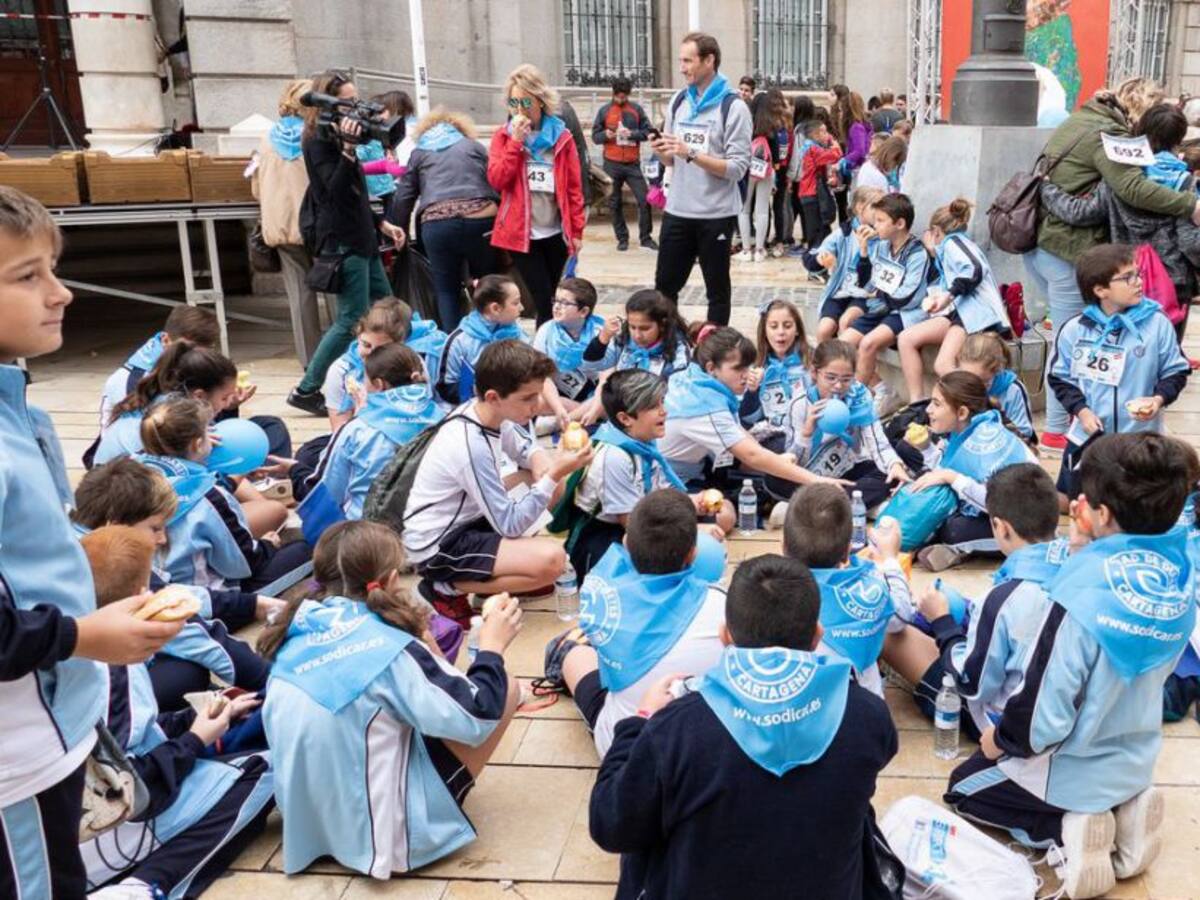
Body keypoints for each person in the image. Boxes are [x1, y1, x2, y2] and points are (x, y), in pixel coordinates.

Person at [0, 185, 183, 897]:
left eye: (54, 268)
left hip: (50, 734)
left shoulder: (18, 405)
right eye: (27, 276)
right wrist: (81, 635)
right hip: (17, 755)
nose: (62, 293)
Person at [945, 434, 1198, 900]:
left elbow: (1045, 713)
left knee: (963, 788)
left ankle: (1069, 830)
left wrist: (1000, 741)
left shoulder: (1077, 595)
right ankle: (1127, 808)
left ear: (1101, 514)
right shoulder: (1178, 577)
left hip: (1068, 772)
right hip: (1136, 758)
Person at [589, 554, 898, 899]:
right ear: (817, 635)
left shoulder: (675, 729)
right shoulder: (868, 717)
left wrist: (639, 722)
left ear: (725, 636)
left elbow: (610, 825)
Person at [261, 521, 523, 879]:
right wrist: (493, 646)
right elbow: (475, 716)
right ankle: (426, 819)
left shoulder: (292, 631)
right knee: (504, 688)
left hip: (309, 827)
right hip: (384, 839)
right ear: (389, 580)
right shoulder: (389, 644)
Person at [79, 526, 273, 900]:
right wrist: (196, 738)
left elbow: (132, 737)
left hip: (54, 819)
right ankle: (147, 884)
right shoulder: (114, 668)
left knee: (233, 728)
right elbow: (131, 788)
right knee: (266, 771)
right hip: (94, 831)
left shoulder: (65, 640)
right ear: (141, 595)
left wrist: (195, 719)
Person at [1025, 76, 1200, 450]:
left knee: (1083, 338)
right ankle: (1113, 420)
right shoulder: (1172, 176)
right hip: (1167, 275)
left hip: (1119, 263)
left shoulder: (1097, 139)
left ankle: (1086, 421)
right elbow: (1185, 235)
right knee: (1157, 346)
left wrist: (1048, 190)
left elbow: (1085, 210)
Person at [401, 341, 592, 623]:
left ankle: (502, 575)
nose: (537, 406)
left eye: (538, 395)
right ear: (493, 396)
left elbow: (525, 448)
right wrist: (554, 473)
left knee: (541, 480)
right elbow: (510, 524)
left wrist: (541, 459)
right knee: (553, 561)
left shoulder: (489, 413)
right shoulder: (470, 444)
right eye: (528, 398)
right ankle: (444, 587)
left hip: (469, 517)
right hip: (438, 545)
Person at [546, 489, 727, 757]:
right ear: (693, 554)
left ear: (627, 543)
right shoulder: (721, 603)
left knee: (571, 652)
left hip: (625, 744)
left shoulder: (602, 592)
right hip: (703, 747)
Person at [916, 463, 1064, 741]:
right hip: (1064, 712)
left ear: (1000, 527)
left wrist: (944, 624)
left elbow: (973, 684)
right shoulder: (1079, 566)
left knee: (900, 638)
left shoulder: (999, 602)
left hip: (1007, 722)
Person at [1040, 102, 1200, 346]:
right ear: (1179, 137)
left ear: (1141, 129)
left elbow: (1082, 213)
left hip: (1124, 276)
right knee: (1165, 352)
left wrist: (1047, 189)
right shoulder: (1183, 181)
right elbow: (1189, 242)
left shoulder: (1121, 174)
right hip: (1172, 283)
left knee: (1123, 347)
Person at [71, 457, 286, 631]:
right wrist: (253, 603)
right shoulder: (115, 561)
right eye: (155, 528)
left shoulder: (72, 533)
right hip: (202, 604)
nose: (163, 538)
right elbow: (239, 565)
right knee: (299, 550)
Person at [1048, 243, 1190, 505]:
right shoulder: (1075, 330)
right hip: (1089, 436)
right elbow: (1060, 378)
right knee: (1073, 502)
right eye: (1127, 278)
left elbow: (1176, 370)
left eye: (1138, 274)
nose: (1138, 282)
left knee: (1131, 507)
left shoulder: (1157, 323)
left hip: (1139, 439)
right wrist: (1082, 411)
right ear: (1100, 290)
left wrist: (1157, 400)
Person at [288, 70, 394, 418]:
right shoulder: (318, 140)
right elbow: (332, 191)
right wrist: (348, 150)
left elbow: (354, 193)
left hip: (362, 237)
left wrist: (382, 223)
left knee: (388, 307)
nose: (353, 107)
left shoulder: (338, 134)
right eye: (348, 101)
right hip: (343, 243)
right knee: (350, 317)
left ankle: (392, 369)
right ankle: (306, 389)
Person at [563, 371, 732, 578]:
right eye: (653, 407)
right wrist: (691, 532)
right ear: (625, 418)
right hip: (603, 541)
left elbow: (657, 498)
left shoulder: (643, 443)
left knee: (719, 521)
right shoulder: (614, 457)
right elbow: (635, 526)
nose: (664, 412)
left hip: (639, 523)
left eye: (662, 402)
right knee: (693, 550)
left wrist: (694, 503)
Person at [136, 396, 312, 592]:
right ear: (197, 444)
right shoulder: (210, 496)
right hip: (201, 597)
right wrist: (267, 545)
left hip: (143, 585)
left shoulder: (127, 474)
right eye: (208, 431)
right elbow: (242, 563)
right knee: (307, 550)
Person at [661, 326, 848, 493]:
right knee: (726, 515)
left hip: (696, 468)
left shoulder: (694, 379)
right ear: (711, 368)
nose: (746, 375)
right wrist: (816, 480)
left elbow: (739, 433)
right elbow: (752, 455)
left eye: (748, 367)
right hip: (670, 481)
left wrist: (781, 461)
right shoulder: (704, 407)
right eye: (738, 369)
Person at [784, 483, 924, 697]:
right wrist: (889, 560)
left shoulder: (768, 592)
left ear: (783, 546)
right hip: (865, 708)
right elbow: (902, 616)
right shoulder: (868, 586)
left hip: (795, 709)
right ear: (847, 551)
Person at [652, 32, 752, 326]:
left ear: (709, 60)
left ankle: (717, 351)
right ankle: (668, 346)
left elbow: (737, 168)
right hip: (678, 211)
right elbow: (672, 159)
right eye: (680, 60)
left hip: (716, 214)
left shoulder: (733, 107)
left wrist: (690, 153)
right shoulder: (678, 101)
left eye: (688, 60)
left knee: (717, 291)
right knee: (664, 289)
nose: (682, 67)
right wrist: (661, 151)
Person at [907, 372, 1038, 571]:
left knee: (953, 530)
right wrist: (925, 448)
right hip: (995, 509)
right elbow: (945, 470)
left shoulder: (986, 439)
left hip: (1026, 521)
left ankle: (958, 549)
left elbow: (995, 504)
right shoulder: (963, 432)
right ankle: (956, 549)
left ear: (961, 413)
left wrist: (951, 478)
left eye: (936, 404)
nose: (928, 410)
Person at [488, 64, 585, 327]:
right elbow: (497, 179)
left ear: (540, 100)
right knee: (543, 301)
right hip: (522, 234)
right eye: (514, 101)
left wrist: (576, 231)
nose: (520, 108)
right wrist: (515, 143)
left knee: (557, 297)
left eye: (525, 101)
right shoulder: (503, 136)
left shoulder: (561, 137)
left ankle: (551, 349)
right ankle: (543, 355)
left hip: (555, 230)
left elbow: (574, 188)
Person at [385, 107, 499, 331]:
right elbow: (496, 181)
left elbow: (404, 197)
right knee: (487, 283)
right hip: (481, 219)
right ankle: (492, 338)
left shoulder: (420, 153)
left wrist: (399, 232)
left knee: (445, 289)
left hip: (438, 225)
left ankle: (452, 343)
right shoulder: (474, 146)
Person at [307, 343, 443, 524]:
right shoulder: (444, 420)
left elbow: (330, 492)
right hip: (429, 527)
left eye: (365, 378)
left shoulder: (358, 429)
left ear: (379, 384)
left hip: (368, 533)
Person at [897, 198, 1010, 403]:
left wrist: (948, 295)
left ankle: (977, 403)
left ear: (936, 232)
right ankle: (917, 401)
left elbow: (974, 269)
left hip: (977, 314)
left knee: (943, 365)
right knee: (906, 338)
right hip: (959, 313)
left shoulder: (953, 243)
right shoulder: (946, 248)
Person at [777, 340, 910, 508]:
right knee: (775, 478)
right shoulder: (800, 403)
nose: (838, 386)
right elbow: (792, 462)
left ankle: (822, 508)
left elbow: (877, 442)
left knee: (891, 473)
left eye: (846, 379)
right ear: (814, 373)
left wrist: (894, 465)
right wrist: (806, 433)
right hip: (808, 478)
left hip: (846, 471)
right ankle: (848, 506)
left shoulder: (860, 398)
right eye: (830, 378)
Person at [253, 78, 324, 366]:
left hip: (281, 227)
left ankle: (310, 362)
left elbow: (256, 188)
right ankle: (341, 357)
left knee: (300, 297)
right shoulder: (316, 136)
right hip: (318, 224)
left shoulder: (267, 138)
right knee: (336, 293)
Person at [845, 193, 931, 413]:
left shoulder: (917, 253)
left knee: (868, 344)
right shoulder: (881, 246)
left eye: (881, 220)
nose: (875, 225)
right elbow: (866, 283)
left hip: (904, 312)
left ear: (900, 224)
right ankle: (882, 388)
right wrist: (863, 252)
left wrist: (879, 294)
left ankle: (855, 403)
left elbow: (907, 297)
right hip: (882, 308)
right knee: (844, 343)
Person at [97, 304, 220, 442]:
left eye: (207, 350)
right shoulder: (131, 380)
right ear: (166, 340)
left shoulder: (192, 364)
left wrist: (226, 404)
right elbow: (141, 438)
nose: (197, 356)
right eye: (189, 349)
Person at [803, 185, 885, 339]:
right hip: (839, 291)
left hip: (867, 295)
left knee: (846, 323)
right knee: (824, 329)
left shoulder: (883, 238)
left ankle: (844, 362)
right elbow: (811, 257)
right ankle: (824, 362)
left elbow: (866, 280)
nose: (881, 212)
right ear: (860, 208)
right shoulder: (843, 233)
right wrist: (821, 259)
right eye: (876, 207)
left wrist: (864, 249)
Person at [436, 275, 529, 404]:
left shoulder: (517, 333)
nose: (522, 308)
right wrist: (478, 390)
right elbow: (446, 388)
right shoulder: (460, 340)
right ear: (495, 308)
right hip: (473, 407)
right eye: (516, 303)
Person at [592, 76, 656, 252]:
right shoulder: (604, 111)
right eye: (619, 96)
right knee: (614, 202)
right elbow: (595, 137)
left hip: (632, 164)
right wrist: (606, 135)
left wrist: (632, 134)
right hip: (612, 163)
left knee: (645, 199)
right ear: (613, 94)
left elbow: (648, 133)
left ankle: (646, 238)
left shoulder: (636, 110)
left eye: (624, 96)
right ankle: (622, 238)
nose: (622, 99)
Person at [740, 298, 812, 447]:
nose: (781, 332)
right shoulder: (757, 366)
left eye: (787, 326)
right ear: (764, 331)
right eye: (773, 326)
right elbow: (748, 420)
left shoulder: (813, 362)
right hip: (774, 436)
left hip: (809, 431)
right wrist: (753, 391)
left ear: (797, 329)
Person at [532, 276, 604, 417]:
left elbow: (606, 381)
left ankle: (573, 418)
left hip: (596, 395)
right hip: (560, 394)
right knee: (536, 401)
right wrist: (559, 409)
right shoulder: (546, 330)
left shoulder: (600, 332)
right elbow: (543, 377)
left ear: (583, 312)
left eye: (565, 303)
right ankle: (581, 416)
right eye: (556, 301)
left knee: (613, 399)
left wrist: (593, 408)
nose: (557, 307)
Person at [957, 332, 1036, 444]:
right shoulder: (955, 384)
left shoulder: (1013, 390)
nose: (973, 385)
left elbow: (1024, 434)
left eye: (982, 381)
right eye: (967, 377)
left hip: (1001, 449)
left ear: (997, 370)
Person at [737, 94, 778, 263]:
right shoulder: (772, 127)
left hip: (747, 170)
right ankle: (760, 250)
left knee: (744, 210)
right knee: (762, 210)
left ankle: (746, 250)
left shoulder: (747, 123)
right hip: (766, 171)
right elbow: (776, 154)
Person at [791, 117, 843, 252]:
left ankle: (821, 257)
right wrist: (836, 147)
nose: (828, 135)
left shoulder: (812, 147)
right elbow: (834, 156)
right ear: (815, 135)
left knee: (822, 228)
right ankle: (816, 260)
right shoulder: (812, 149)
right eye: (824, 132)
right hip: (812, 194)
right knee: (817, 230)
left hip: (812, 193)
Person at [356, 89, 415, 205]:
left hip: (388, 189)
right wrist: (387, 166)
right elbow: (358, 161)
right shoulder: (367, 138)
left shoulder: (388, 135)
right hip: (374, 193)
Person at [828, 89, 873, 223]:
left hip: (857, 171)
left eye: (841, 110)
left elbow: (859, 150)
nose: (840, 114)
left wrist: (842, 162)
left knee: (855, 207)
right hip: (857, 170)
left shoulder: (855, 127)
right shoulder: (861, 126)